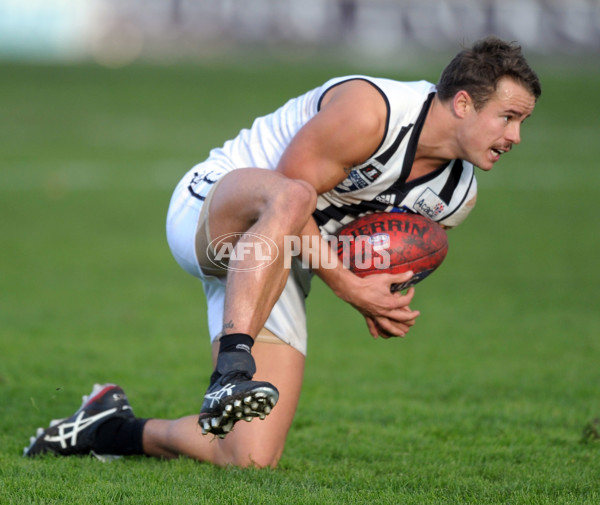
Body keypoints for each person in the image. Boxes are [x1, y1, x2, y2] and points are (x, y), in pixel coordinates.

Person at [24, 36, 541, 468]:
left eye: (522, 123)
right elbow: (292, 196)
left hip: (278, 262)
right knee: (293, 194)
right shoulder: (373, 111)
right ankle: (230, 371)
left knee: (248, 456)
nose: (515, 136)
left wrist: (384, 297)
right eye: (508, 117)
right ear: (464, 102)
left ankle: (107, 427)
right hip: (214, 211)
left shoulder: (456, 196)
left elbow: (368, 251)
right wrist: (347, 284)